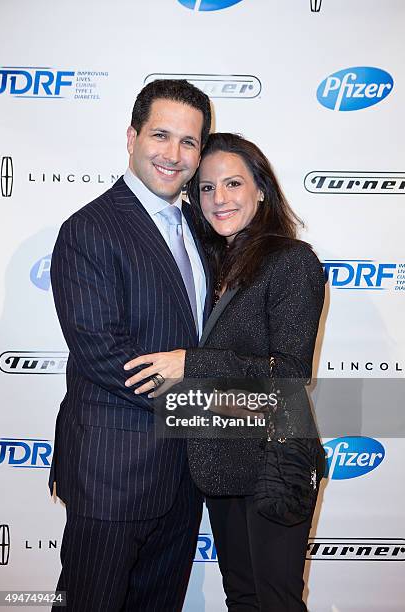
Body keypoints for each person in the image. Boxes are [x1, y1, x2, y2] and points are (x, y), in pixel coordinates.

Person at [124, 132, 325, 611]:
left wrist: (191, 365)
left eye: (233, 184)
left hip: (275, 460)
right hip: (221, 462)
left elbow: (291, 373)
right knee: (242, 598)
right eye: (207, 188)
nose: (220, 199)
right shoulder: (212, 265)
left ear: (262, 190)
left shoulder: (292, 261)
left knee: (275, 602)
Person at [49, 79, 213, 611]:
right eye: (160, 135)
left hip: (182, 479)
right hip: (113, 475)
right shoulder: (90, 228)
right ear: (131, 136)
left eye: (189, 142)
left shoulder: (199, 223)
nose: (174, 154)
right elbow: (105, 356)